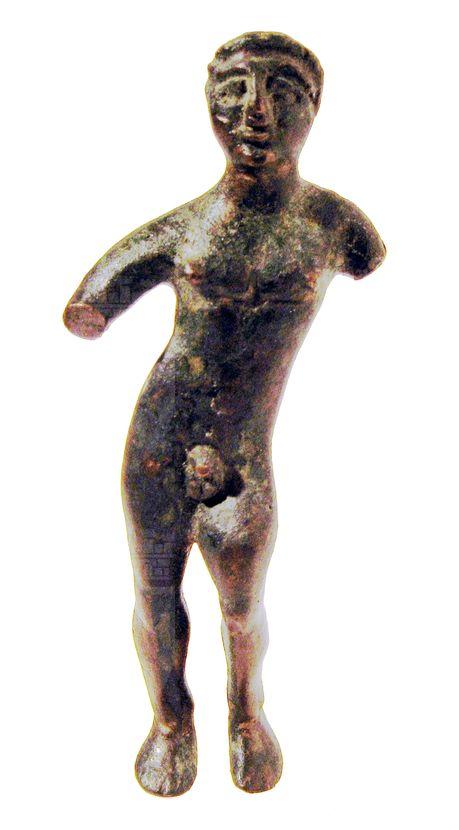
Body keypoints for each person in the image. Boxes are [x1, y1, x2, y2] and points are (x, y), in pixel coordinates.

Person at [64, 31, 385, 796]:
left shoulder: (335, 227)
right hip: (160, 440)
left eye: (282, 91)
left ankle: (246, 713)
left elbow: (369, 257)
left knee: (241, 605)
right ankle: (170, 719)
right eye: (233, 93)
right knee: (155, 591)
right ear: (207, 106)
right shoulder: (186, 229)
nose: (256, 112)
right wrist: (93, 305)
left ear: (313, 107)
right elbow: (91, 302)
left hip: (242, 455)